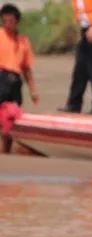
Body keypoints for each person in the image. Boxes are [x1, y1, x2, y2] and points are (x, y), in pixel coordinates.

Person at [0, 3, 38, 151]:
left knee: (11, 117)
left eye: (11, 21)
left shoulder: (23, 41)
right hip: (1, 78)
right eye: (5, 21)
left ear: (17, 21)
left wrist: (33, 90)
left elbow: (27, 69)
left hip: (15, 82)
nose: (7, 24)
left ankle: (6, 150)